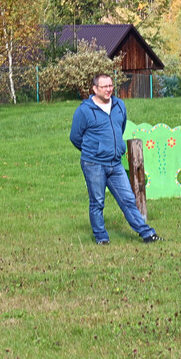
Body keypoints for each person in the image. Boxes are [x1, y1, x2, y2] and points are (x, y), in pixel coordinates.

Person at [69, 73, 160, 245]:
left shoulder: (119, 105)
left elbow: (121, 126)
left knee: (128, 199)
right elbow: (75, 137)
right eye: (104, 87)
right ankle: (101, 237)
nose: (108, 89)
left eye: (110, 85)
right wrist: (94, 150)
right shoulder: (84, 110)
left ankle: (147, 234)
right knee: (97, 202)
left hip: (115, 163)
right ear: (95, 89)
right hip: (94, 164)